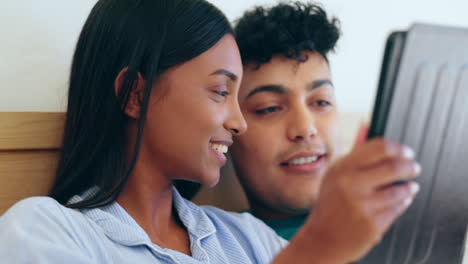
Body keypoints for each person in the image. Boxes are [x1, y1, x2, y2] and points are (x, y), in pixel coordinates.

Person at [0, 0, 421, 263]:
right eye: (221, 91)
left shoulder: (249, 239)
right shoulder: (44, 231)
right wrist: (318, 250)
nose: (238, 122)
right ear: (135, 95)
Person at [229, 1, 340, 240]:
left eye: (321, 102)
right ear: (229, 132)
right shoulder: (224, 246)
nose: (305, 128)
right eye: (270, 108)